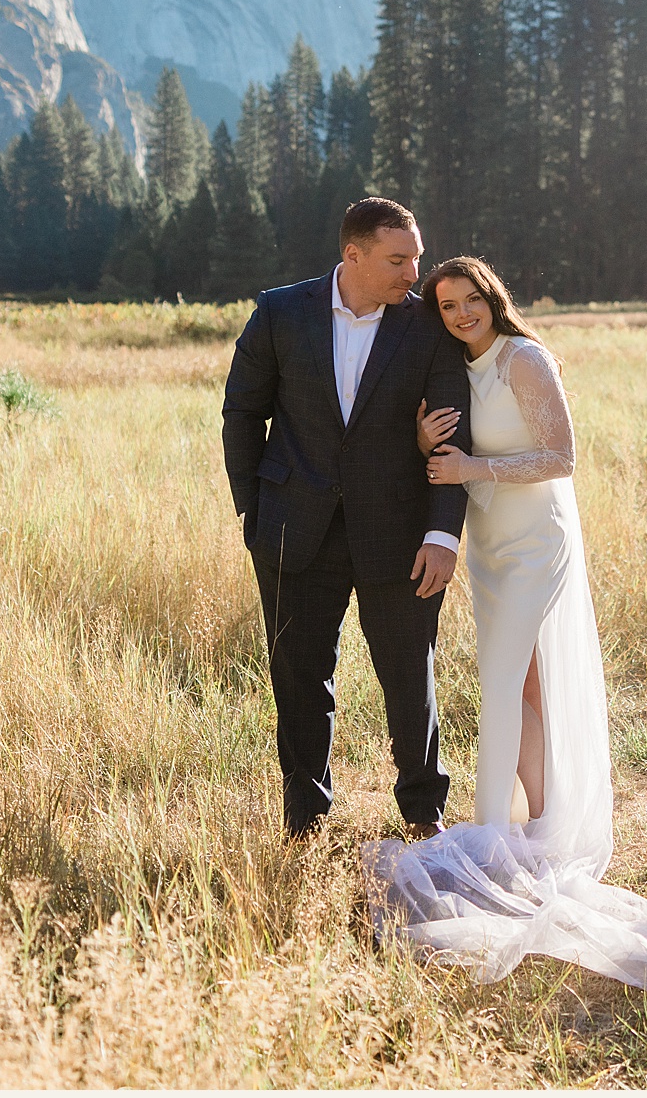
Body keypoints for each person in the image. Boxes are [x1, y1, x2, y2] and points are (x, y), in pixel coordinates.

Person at [365, 255, 647, 994]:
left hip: (538, 541)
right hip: (491, 546)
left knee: (502, 684)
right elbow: (447, 462)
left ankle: (495, 842)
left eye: (471, 300)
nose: (461, 314)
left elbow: (561, 455)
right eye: (446, 306)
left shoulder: (524, 359)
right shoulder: (457, 371)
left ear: (492, 298)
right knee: (522, 685)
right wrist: (426, 449)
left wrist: (475, 469)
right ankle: (541, 820)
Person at [220, 197, 472, 839]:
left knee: (409, 673)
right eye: (398, 259)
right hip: (292, 532)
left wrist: (443, 534)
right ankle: (304, 821)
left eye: (415, 256)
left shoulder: (428, 326)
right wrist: (255, 512)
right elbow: (242, 415)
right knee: (300, 678)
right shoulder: (280, 313)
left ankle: (424, 814)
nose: (414, 272)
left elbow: (452, 438)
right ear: (352, 255)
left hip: (401, 534)